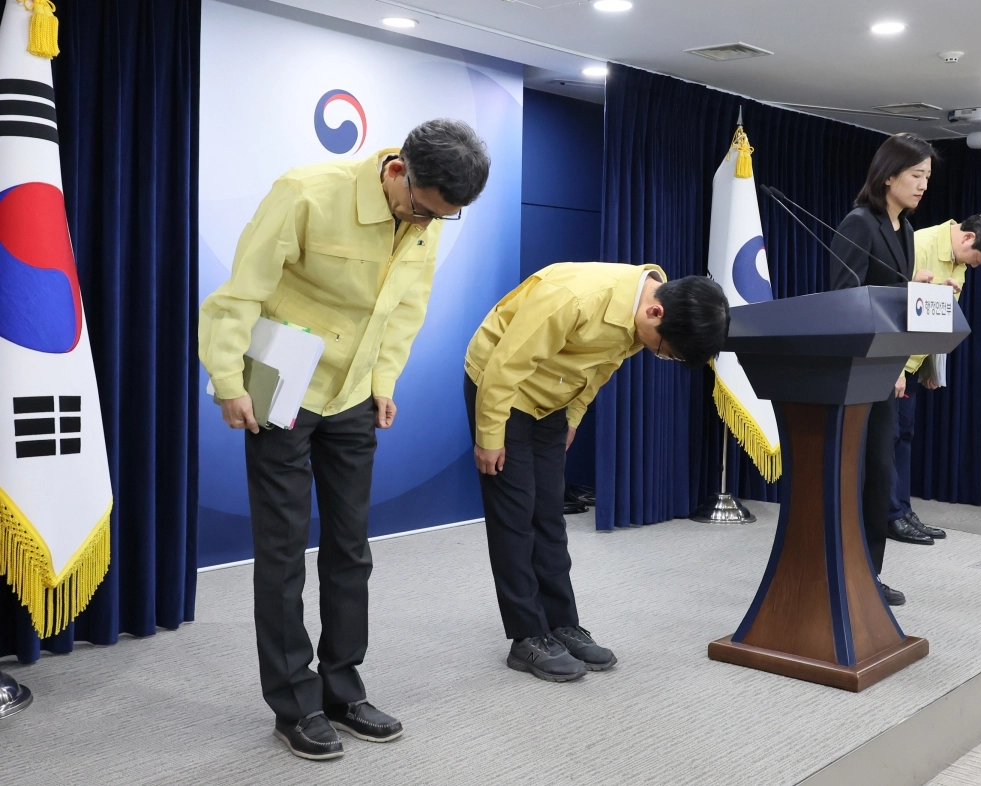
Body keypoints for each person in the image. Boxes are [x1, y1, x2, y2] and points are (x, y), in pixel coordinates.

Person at [198, 119, 490, 761]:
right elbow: (240, 291)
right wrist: (228, 380)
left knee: (350, 548)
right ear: (397, 171)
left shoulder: (426, 216)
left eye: (440, 217)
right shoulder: (306, 191)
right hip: (282, 382)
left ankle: (342, 688)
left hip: (353, 392)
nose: (425, 223)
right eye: (421, 208)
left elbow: (406, 309)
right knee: (282, 551)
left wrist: (384, 380)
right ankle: (294, 704)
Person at [464, 263, 729, 681]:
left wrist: (572, 416)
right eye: (667, 351)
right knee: (514, 515)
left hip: (552, 396)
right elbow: (505, 366)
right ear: (655, 313)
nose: (661, 356)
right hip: (501, 389)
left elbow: (600, 368)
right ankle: (527, 636)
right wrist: (489, 434)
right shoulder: (573, 298)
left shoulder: (646, 314)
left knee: (548, 514)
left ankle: (561, 624)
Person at [828, 132, 936, 607]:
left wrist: (919, 290)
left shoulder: (906, 230)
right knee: (857, 476)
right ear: (888, 175)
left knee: (879, 475)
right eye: (916, 175)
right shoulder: (859, 223)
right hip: (857, 372)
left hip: (888, 370)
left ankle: (869, 574)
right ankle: (841, 571)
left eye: (927, 177)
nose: (923, 185)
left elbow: (892, 301)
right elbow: (845, 300)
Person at [888, 214, 981, 546]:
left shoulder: (959, 260)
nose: (975, 266)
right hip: (890, 363)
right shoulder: (919, 245)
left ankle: (902, 511)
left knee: (903, 437)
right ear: (969, 238)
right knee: (887, 439)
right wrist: (895, 369)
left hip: (913, 363)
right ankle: (890, 515)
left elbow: (937, 317)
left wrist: (932, 365)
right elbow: (889, 310)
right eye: (979, 260)